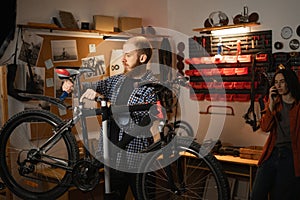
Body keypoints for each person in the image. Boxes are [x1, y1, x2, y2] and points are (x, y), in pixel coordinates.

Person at [62, 36, 159, 199]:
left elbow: (140, 120)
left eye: (128, 55)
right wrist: (70, 85)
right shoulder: (118, 80)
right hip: (113, 157)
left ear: (142, 58)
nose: (122, 59)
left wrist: (102, 100)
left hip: (138, 159)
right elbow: (90, 87)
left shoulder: (152, 86)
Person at [251, 68, 300, 200]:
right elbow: (265, 127)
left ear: (290, 82)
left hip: (290, 156)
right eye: (276, 82)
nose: (278, 85)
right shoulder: (275, 103)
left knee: (280, 196)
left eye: (282, 82)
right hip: (272, 154)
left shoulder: (298, 105)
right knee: (256, 194)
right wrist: (270, 106)